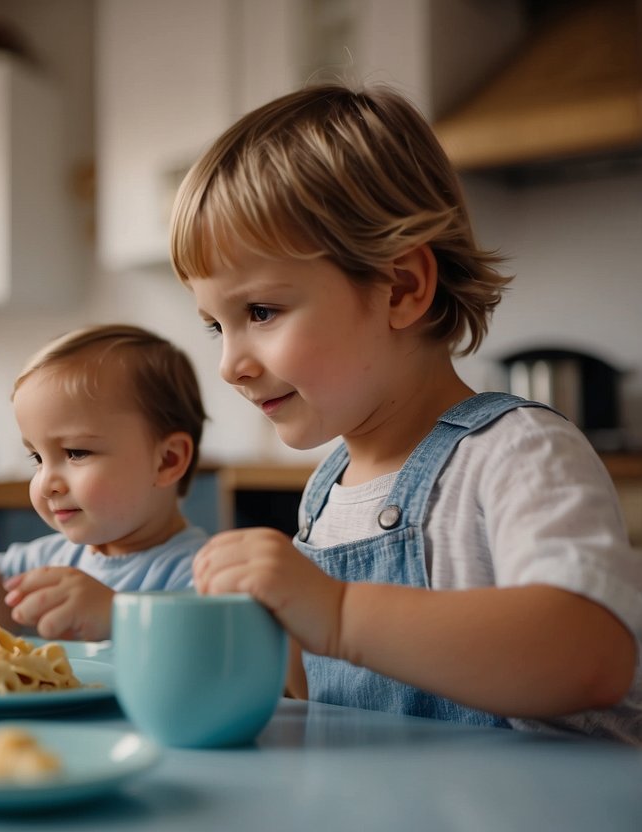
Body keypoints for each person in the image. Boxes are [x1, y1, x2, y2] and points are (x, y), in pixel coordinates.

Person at [168, 82, 642, 742]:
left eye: (260, 312)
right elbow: (330, 692)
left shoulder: (516, 453)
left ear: (401, 288)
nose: (229, 364)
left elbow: (590, 655)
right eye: (217, 327)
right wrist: (276, 630)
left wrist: (335, 612)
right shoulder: (325, 489)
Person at [0, 323, 209, 641]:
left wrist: (118, 615)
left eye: (76, 452)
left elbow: (202, 648)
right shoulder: (43, 561)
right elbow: (4, 618)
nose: (47, 483)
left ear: (167, 460)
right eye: (37, 458)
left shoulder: (201, 573)